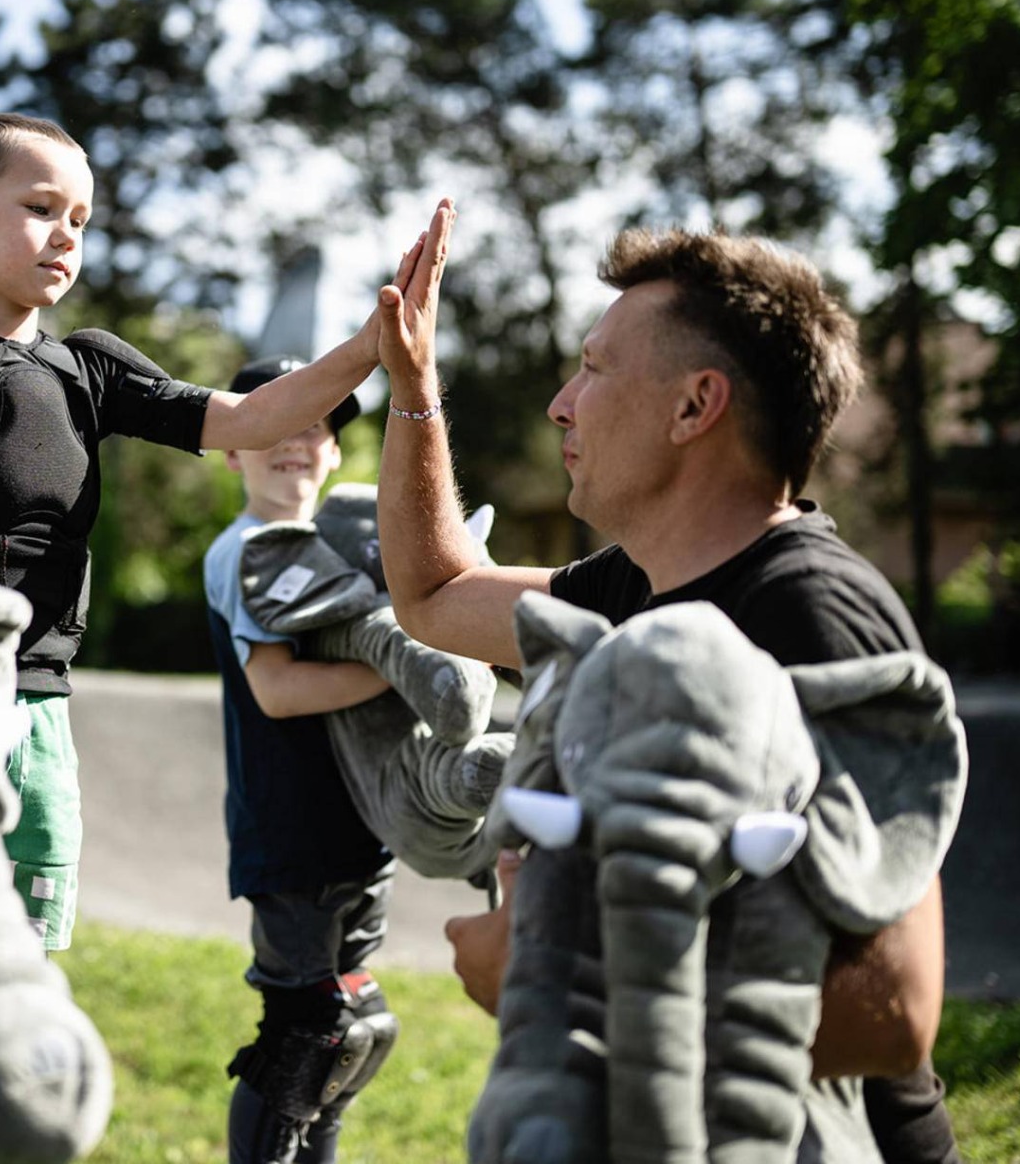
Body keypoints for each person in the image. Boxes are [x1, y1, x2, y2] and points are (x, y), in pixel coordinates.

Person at [371, 225, 961, 1162]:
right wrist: (413, 391)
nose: (562, 405)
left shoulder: (811, 609)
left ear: (695, 406)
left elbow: (895, 1011)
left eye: (594, 369)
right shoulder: (631, 581)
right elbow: (434, 597)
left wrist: (550, 974)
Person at [0, 109, 455, 953]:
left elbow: (256, 417)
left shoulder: (90, 367)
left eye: (80, 220)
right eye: (42, 208)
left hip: (40, 711)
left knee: (23, 959)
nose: (66, 236)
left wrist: (378, 343)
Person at [202, 358, 398, 1164]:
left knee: (349, 1043)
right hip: (290, 836)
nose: (297, 440)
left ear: (336, 451)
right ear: (232, 449)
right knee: (303, 1038)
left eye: (315, 423)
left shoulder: (337, 553)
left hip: (357, 831)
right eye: (273, 421)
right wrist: (401, 667)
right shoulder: (243, 550)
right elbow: (278, 690)